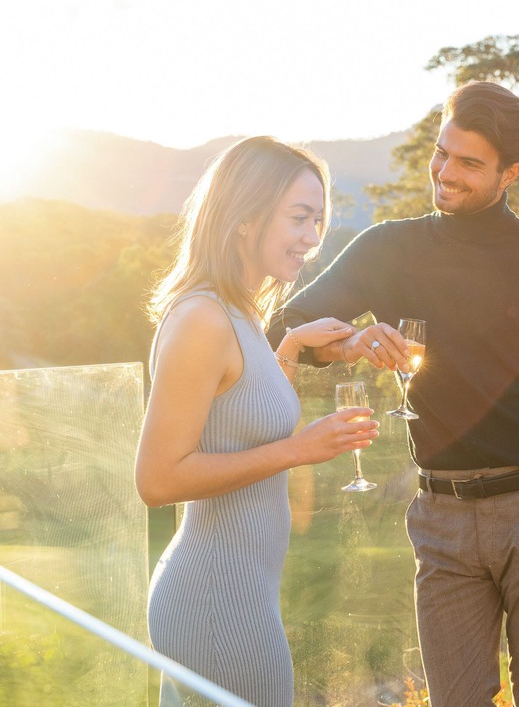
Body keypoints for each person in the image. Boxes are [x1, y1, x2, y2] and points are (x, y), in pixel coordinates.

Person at [268, 81, 519, 706]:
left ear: (509, 173)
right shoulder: (388, 249)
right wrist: (349, 342)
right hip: (440, 516)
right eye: (442, 152)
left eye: (469, 163)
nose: (445, 172)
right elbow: (285, 328)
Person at [136, 136, 380, 707]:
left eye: (318, 220)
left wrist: (290, 349)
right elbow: (157, 480)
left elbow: (239, 412)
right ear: (245, 217)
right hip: (215, 599)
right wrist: (301, 450)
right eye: (300, 218)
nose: (313, 238)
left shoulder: (240, 310)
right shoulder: (202, 317)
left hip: (241, 593)